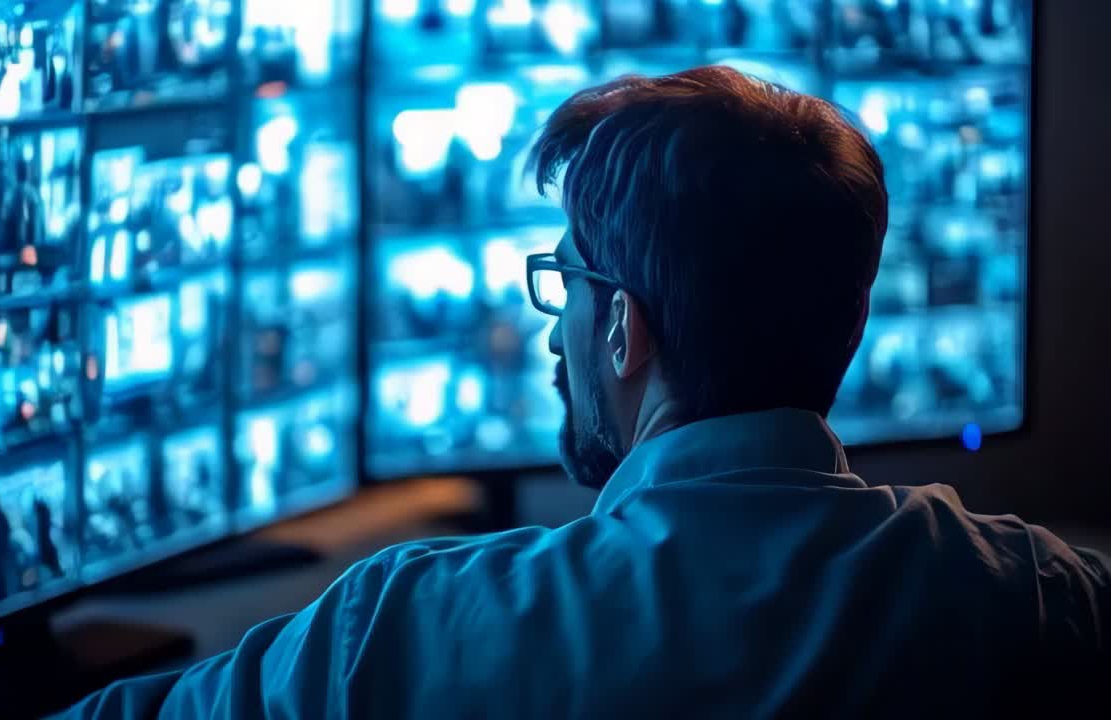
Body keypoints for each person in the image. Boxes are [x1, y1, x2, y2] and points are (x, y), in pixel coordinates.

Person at [60, 67, 1110, 718]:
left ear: (620, 327)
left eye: (564, 281)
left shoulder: (405, 630)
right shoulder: (1031, 597)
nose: (551, 325)